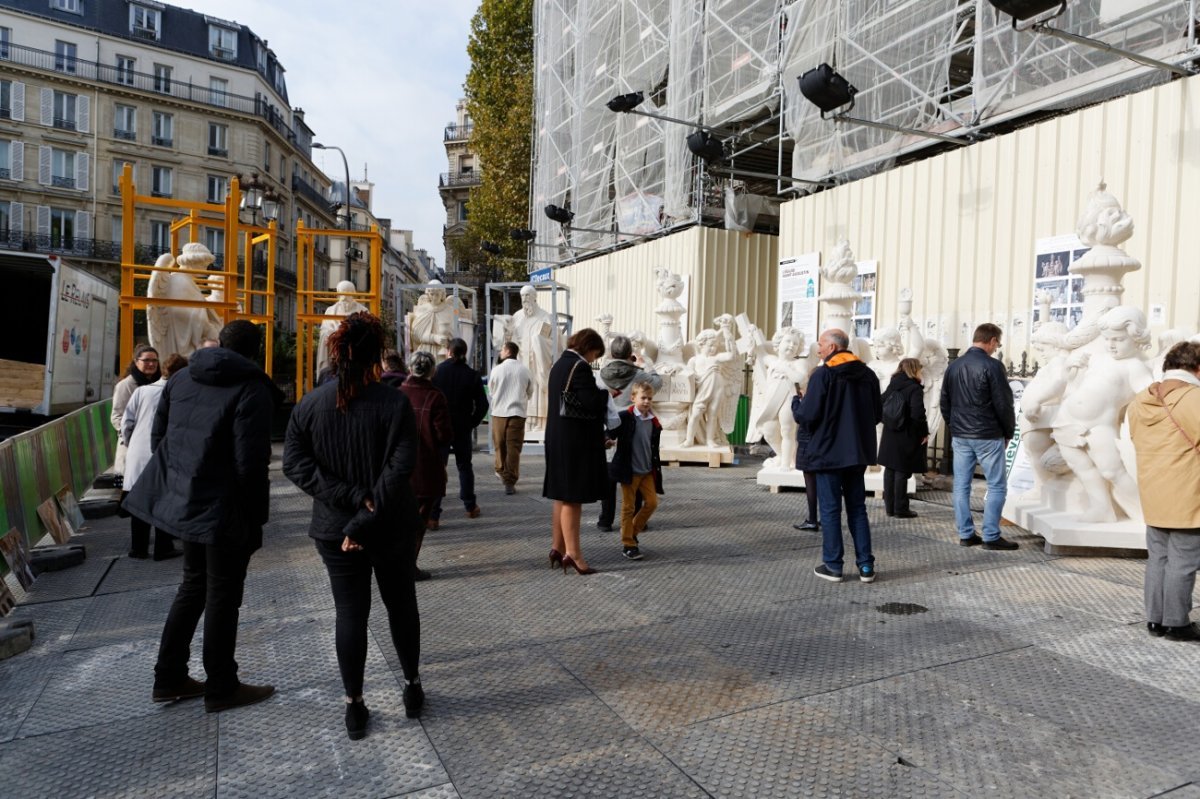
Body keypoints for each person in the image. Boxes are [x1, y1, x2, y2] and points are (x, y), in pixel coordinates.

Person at [283, 312, 426, 739]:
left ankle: (354, 703)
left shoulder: (309, 404)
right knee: (401, 605)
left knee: (350, 614)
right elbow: (401, 467)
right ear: (375, 358)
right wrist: (364, 513)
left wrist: (349, 507)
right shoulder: (395, 402)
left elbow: (294, 464)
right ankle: (412, 685)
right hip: (390, 525)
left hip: (335, 528)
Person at [124, 320, 277, 712]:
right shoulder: (252, 387)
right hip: (224, 508)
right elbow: (251, 462)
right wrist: (257, 517)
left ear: (221, 343)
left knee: (193, 586)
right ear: (255, 351)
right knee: (223, 595)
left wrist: (182, 481)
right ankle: (222, 685)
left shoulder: (180, 379)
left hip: (184, 500)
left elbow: (161, 439)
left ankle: (169, 676)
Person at [794, 328, 882, 583]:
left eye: (821, 344)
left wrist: (796, 403)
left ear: (832, 347)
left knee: (831, 510)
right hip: (857, 453)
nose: (818, 348)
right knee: (857, 509)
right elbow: (877, 414)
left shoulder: (824, 375)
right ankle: (866, 566)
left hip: (828, 452)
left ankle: (833, 565)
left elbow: (807, 416)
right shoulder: (868, 375)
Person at [1128, 340, 1200, 642]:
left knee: (1158, 558)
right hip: (1187, 492)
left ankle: (1155, 620)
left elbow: (1134, 438)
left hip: (1153, 491)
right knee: (1183, 562)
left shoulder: (1140, 401)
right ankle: (1177, 623)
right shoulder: (1193, 398)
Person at [940, 323, 1018, 550]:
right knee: (996, 486)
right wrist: (1008, 432)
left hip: (961, 434)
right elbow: (1004, 404)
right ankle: (991, 536)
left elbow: (945, 401)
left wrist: (954, 426)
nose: (997, 348)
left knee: (961, 486)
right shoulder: (993, 366)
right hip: (987, 434)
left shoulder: (954, 366)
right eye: (998, 344)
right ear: (992, 340)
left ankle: (966, 534)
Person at [543, 328, 610, 575]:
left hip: (556, 437)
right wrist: (605, 394)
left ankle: (557, 548)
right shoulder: (579, 367)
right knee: (573, 497)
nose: (594, 359)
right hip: (574, 440)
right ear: (588, 347)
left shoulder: (559, 364)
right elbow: (590, 401)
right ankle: (574, 554)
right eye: (595, 353)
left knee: (561, 495)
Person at [121, 353, 187, 560]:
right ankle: (163, 547)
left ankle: (138, 548)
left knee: (139, 501)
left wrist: (131, 444)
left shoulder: (141, 391)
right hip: (164, 452)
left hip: (137, 453)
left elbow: (126, 422)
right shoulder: (180, 393)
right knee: (164, 501)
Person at [597, 335, 661, 531]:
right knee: (635, 474)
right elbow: (657, 383)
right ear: (629, 354)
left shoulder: (600, 374)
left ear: (611, 352)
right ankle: (636, 518)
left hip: (608, 428)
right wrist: (646, 364)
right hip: (632, 426)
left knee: (608, 477)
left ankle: (605, 520)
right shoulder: (638, 375)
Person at [398, 352, 453, 580]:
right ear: (432, 371)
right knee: (419, 518)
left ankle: (397, 563)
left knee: (399, 516)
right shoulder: (435, 397)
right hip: (426, 466)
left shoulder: (398, 394)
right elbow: (444, 434)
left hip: (398, 466)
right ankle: (408, 565)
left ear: (410, 369)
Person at [431, 338, 488, 525]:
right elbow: (482, 404)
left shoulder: (438, 372)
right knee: (464, 466)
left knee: (439, 468)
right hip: (462, 426)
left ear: (448, 351)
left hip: (440, 426)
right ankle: (470, 505)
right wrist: (472, 421)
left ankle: (433, 514)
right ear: (464, 352)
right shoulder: (471, 374)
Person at [608, 380, 663, 560]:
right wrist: (607, 439)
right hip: (629, 471)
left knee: (652, 503)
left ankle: (632, 532)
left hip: (647, 471)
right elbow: (611, 431)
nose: (646, 401)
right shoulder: (625, 417)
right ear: (633, 398)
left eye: (650, 398)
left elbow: (653, 447)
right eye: (643, 398)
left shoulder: (654, 422)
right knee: (628, 507)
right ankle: (628, 544)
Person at [878, 358, 929, 518]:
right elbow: (918, 414)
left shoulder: (893, 384)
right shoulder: (914, 388)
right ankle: (900, 508)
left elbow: (881, 403)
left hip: (890, 431)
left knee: (890, 468)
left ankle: (890, 507)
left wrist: (888, 421)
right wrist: (923, 433)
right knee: (902, 469)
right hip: (906, 432)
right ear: (914, 370)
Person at [509, 285, 557, 432]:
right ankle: (525, 423)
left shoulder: (544, 316)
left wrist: (538, 342)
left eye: (528, 295)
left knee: (537, 393)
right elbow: (511, 338)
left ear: (535, 297)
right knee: (522, 392)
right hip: (520, 360)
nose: (525, 299)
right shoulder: (517, 317)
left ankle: (540, 423)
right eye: (522, 296)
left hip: (537, 362)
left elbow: (550, 340)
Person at [487, 341, 533, 495]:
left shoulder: (497, 370)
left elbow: (491, 391)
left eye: (502, 350)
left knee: (499, 444)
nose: (500, 352)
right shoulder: (525, 370)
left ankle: (500, 470)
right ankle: (510, 480)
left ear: (507, 351)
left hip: (499, 412)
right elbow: (530, 392)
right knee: (513, 447)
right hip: (518, 413)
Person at [111, 344, 161, 480]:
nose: (151, 364)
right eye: (146, 360)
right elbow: (117, 416)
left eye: (155, 360)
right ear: (136, 362)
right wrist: (131, 434)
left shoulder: (162, 383)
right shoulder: (125, 385)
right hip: (131, 447)